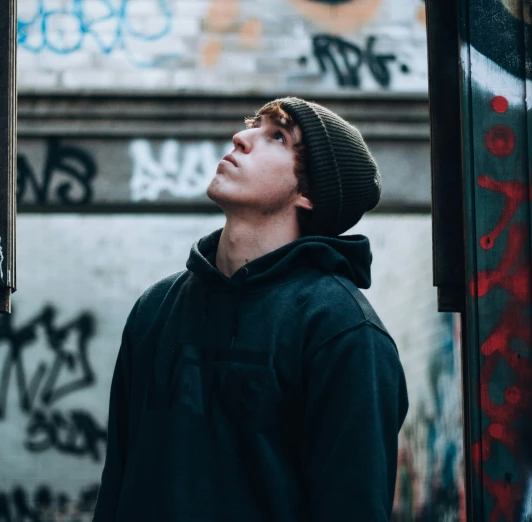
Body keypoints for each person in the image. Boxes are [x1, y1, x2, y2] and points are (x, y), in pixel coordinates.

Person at [92, 97, 409, 522]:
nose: (241, 138)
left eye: (277, 137)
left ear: (309, 193)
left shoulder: (343, 331)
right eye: (252, 126)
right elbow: (116, 486)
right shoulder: (155, 309)